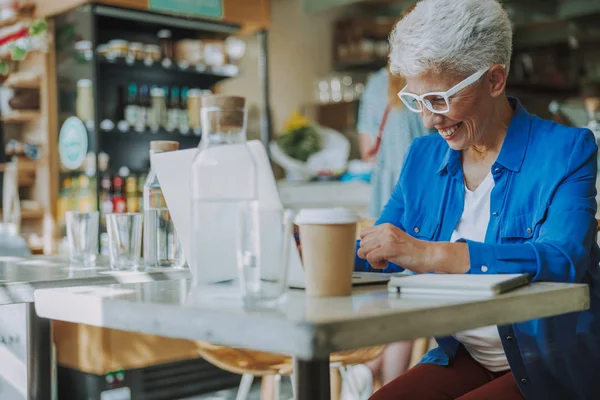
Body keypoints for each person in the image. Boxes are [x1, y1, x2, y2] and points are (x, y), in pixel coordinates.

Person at [354, 0, 600, 399]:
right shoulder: (423, 156)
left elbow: (564, 259)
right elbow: (383, 249)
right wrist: (306, 254)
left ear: (495, 80)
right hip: (467, 353)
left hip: (552, 362)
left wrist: (434, 254)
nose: (429, 120)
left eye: (439, 99)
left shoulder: (566, 150)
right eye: (417, 101)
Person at [344, 5, 432, 397]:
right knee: (409, 293)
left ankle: (369, 370)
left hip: (386, 199)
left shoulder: (378, 83)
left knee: (388, 287)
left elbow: (366, 149)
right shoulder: (435, 86)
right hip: (428, 198)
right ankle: (383, 378)